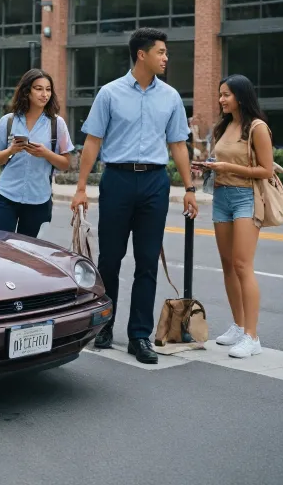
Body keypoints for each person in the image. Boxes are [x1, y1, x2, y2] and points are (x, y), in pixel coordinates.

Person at [71, 28, 198, 365]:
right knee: (110, 259)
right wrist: (81, 187)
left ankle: (139, 336)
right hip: (117, 180)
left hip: (155, 182)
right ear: (142, 54)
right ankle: (104, 325)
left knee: (146, 262)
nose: (166, 58)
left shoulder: (170, 97)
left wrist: (188, 189)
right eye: (161, 52)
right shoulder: (110, 94)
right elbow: (93, 142)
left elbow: (178, 145)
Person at [192, 75, 273, 359]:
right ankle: (239, 326)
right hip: (222, 197)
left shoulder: (257, 128)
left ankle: (252, 336)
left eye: (226, 95)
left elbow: (266, 170)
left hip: (246, 197)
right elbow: (221, 163)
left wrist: (228, 166)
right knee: (227, 265)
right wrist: (207, 167)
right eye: (220, 95)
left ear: (241, 96)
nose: (221, 100)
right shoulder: (222, 127)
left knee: (242, 265)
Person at [0, 69, 74, 238]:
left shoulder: (57, 124)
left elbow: (66, 164)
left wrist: (45, 153)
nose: (44, 94)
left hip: (39, 199)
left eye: (48, 89)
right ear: (27, 91)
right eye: (39, 89)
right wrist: (11, 150)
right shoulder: (8, 121)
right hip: (6, 196)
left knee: (30, 254)